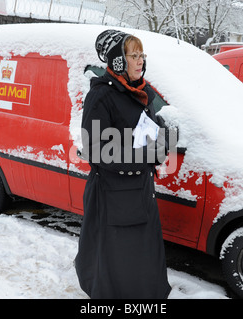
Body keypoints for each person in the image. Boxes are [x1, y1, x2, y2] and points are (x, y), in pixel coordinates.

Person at [75, 29, 171, 299]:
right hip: (112, 193)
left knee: (143, 253)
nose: (140, 61)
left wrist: (164, 141)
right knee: (118, 258)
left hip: (140, 190)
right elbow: (96, 149)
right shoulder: (101, 96)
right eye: (133, 55)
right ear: (118, 60)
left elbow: (152, 126)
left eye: (142, 55)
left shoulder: (141, 90)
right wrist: (148, 156)